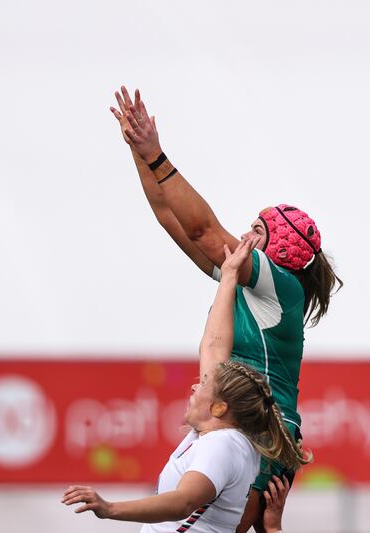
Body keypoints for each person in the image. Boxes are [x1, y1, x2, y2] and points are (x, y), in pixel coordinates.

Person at [109, 86, 341, 532]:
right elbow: (170, 217)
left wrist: (158, 155)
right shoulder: (243, 281)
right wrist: (140, 153)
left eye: (256, 227)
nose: (241, 233)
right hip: (230, 417)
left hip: (263, 428)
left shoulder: (280, 283)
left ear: (279, 248)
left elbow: (202, 229)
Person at [61, 238, 308, 533]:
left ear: (220, 407)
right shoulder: (220, 436)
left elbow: (182, 502)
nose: (194, 389)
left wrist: (109, 508)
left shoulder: (223, 445)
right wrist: (228, 276)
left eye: (202, 386)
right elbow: (214, 344)